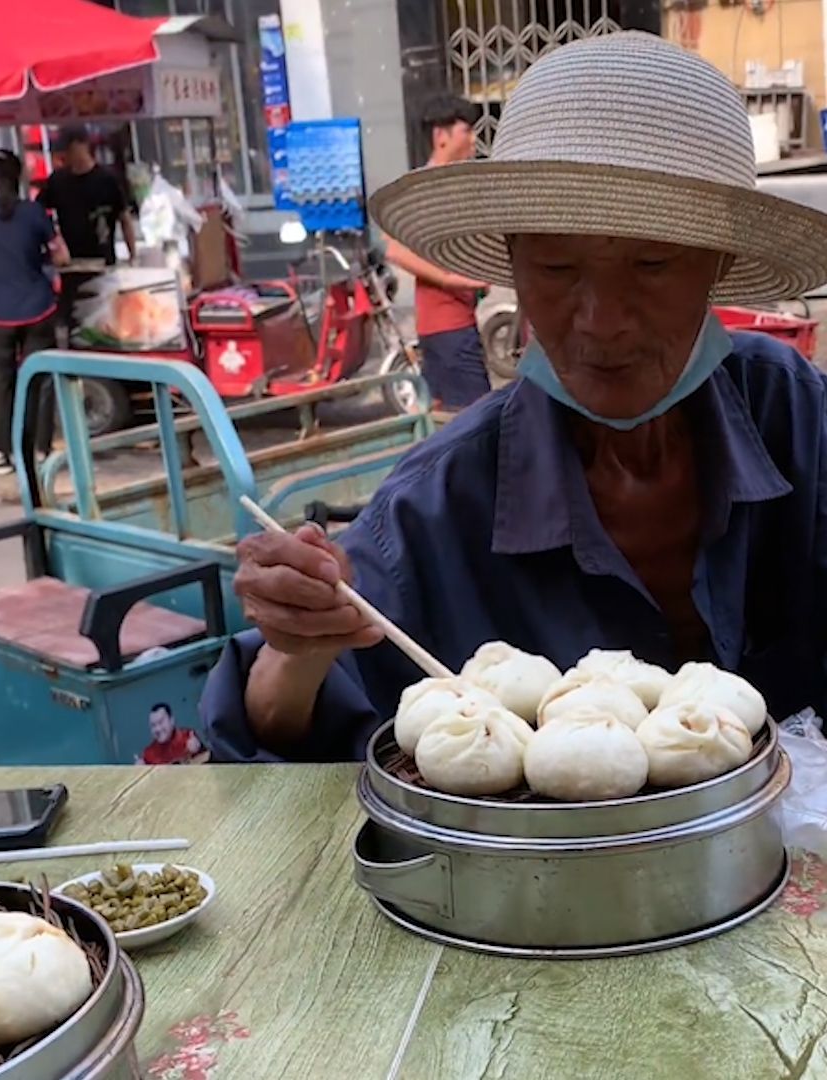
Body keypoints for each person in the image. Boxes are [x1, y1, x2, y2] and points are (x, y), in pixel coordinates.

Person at [201, 32, 827, 762]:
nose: (599, 321)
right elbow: (276, 729)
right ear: (511, 263)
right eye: (557, 268)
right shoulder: (438, 506)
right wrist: (298, 642)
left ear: (718, 264)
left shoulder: (791, 412)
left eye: (652, 265)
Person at [0, 149, 68, 476]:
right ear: (20, 176)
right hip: (37, 307)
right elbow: (61, 255)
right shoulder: (35, 212)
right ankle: (40, 450)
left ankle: (1, 454)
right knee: (40, 377)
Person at [382, 96, 492, 411]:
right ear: (440, 137)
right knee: (479, 417)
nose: (473, 139)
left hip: (453, 322)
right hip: (448, 325)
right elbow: (396, 249)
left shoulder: (451, 185)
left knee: (449, 420)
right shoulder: (424, 187)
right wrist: (451, 279)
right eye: (466, 131)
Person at [40, 127, 136, 345]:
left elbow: (124, 218)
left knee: (105, 326)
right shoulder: (58, 182)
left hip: (103, 266)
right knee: (74, 328)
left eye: (69, 148)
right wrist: (53, 243)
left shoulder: (108, 179)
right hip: (71, 267)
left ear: (82, 145)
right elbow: (38, 214)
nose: (67, 155)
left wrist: (133, 256)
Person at [135, 702, 207, 765]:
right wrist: (140, 770)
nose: (158, 729)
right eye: (153, 725)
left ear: (172, 721)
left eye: (161, 722)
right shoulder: (149, 754)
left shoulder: (188, 737)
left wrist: (199, 749)